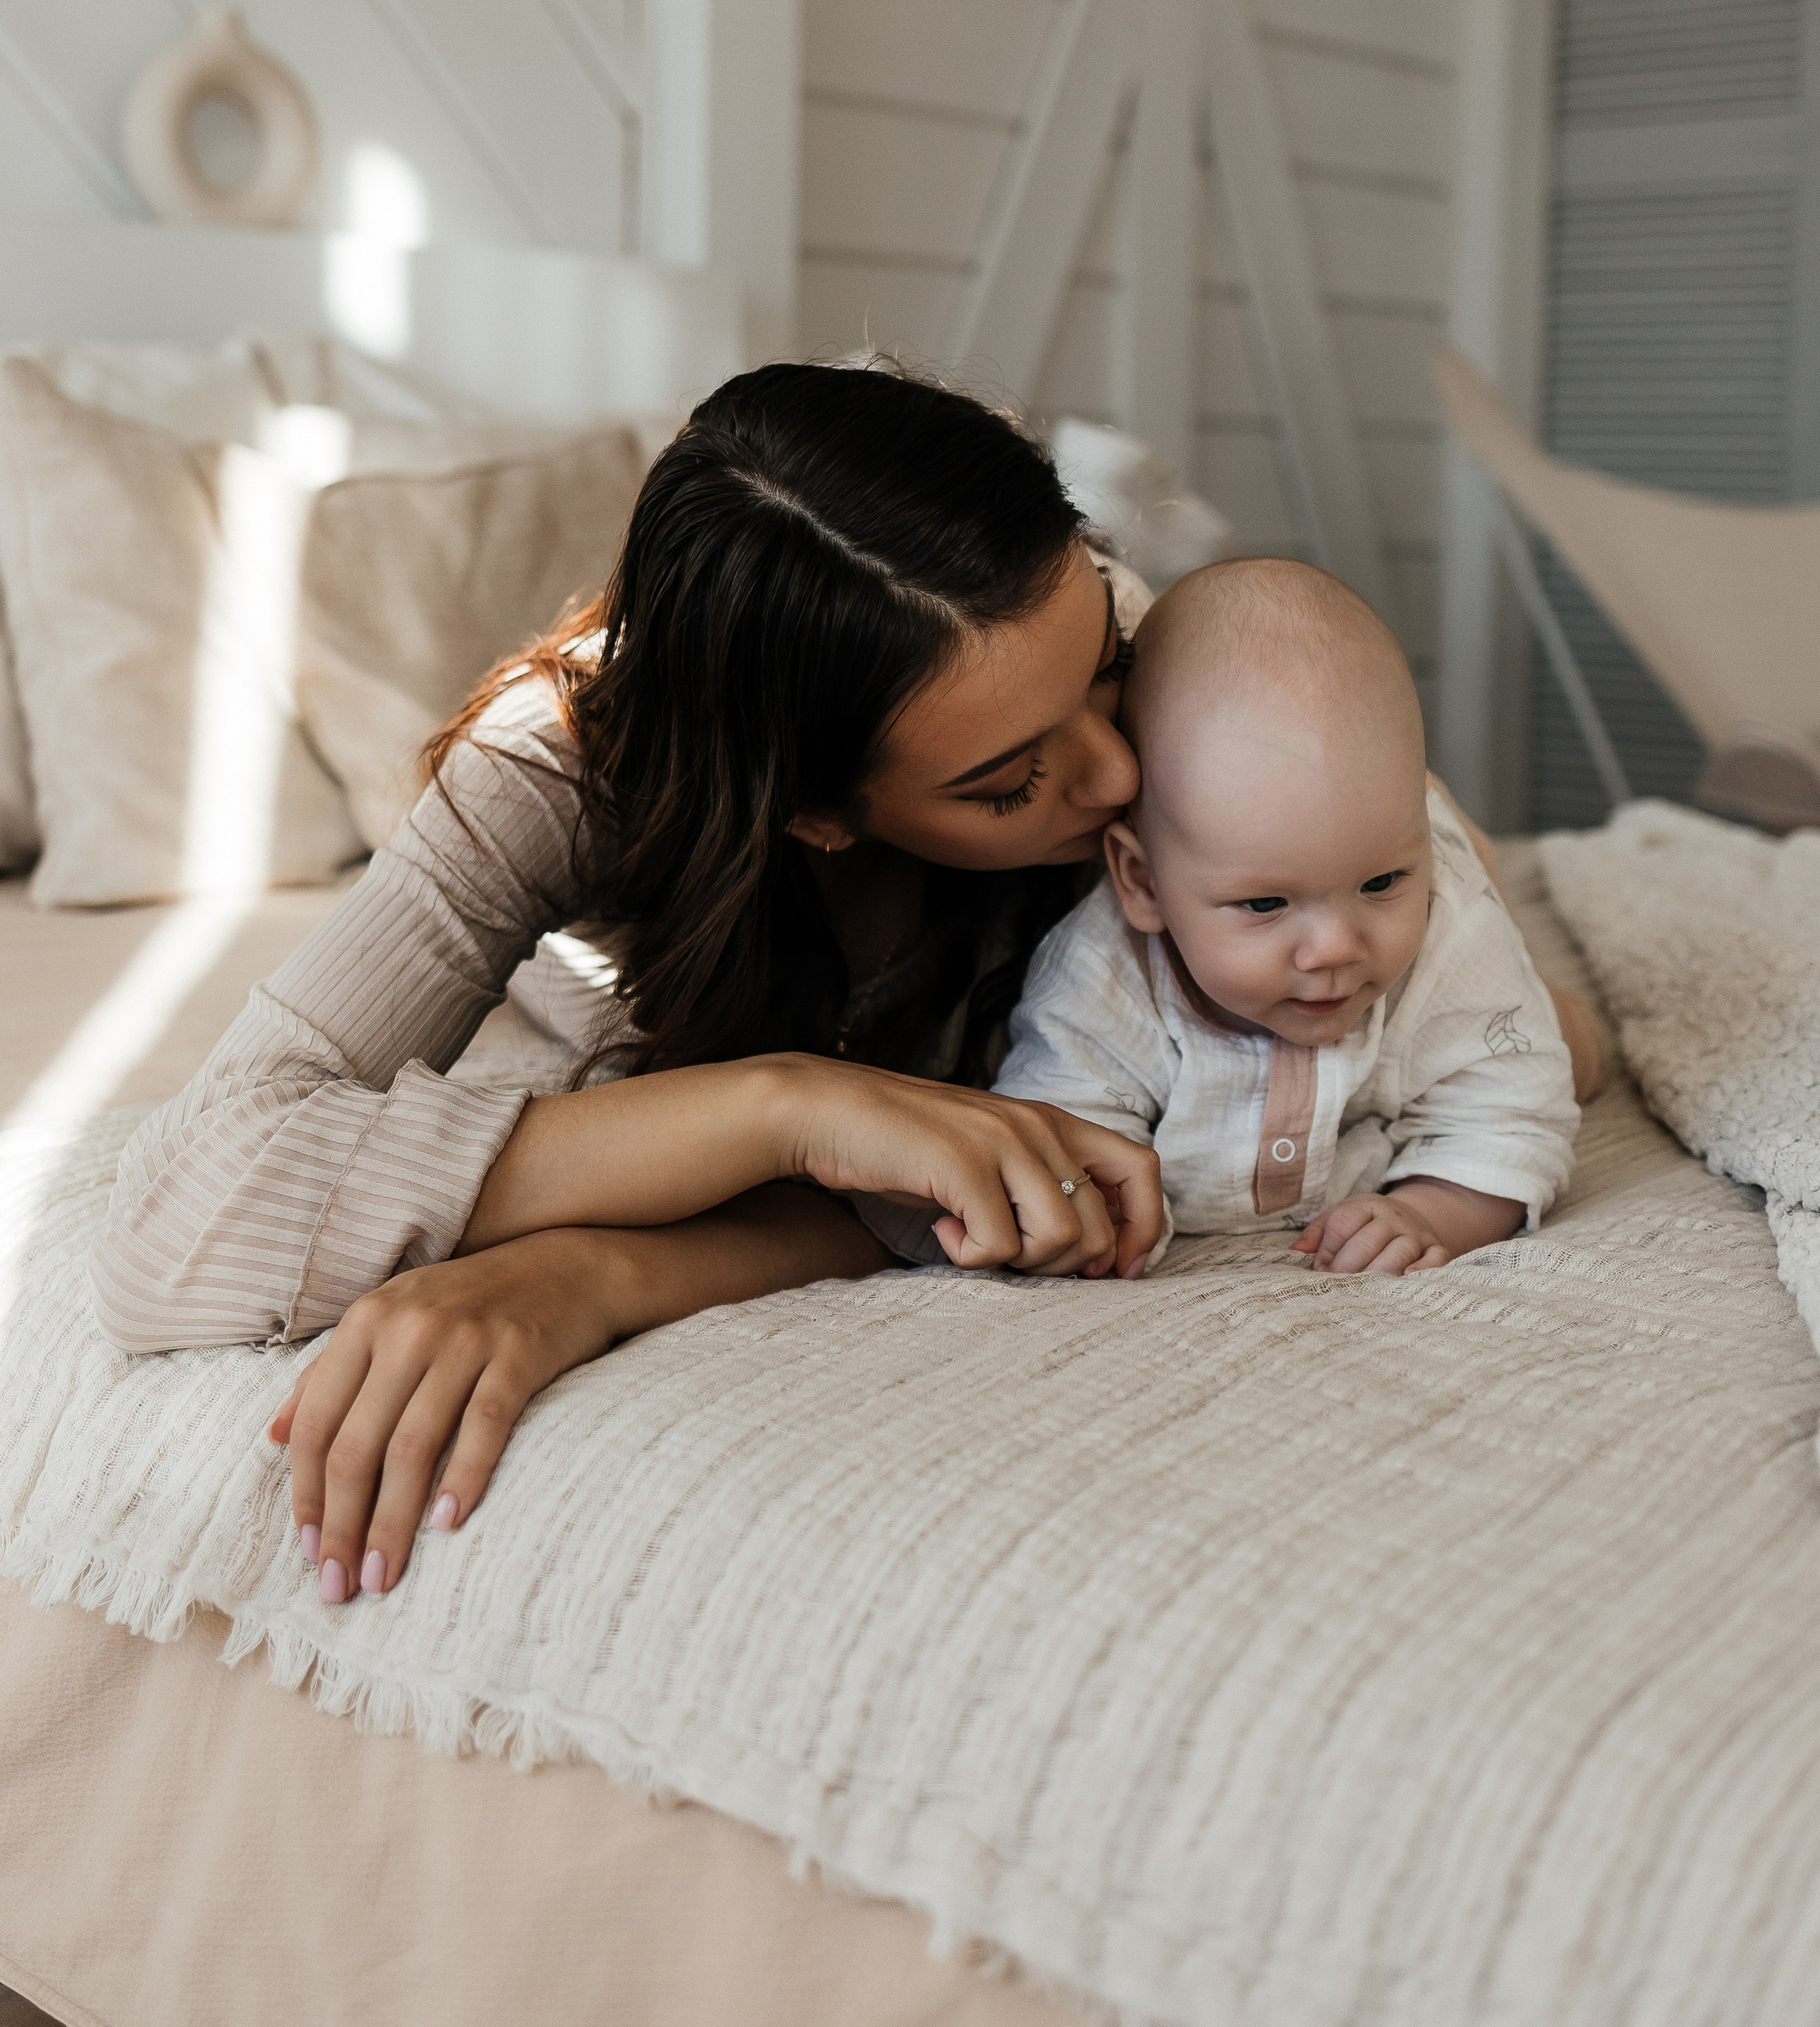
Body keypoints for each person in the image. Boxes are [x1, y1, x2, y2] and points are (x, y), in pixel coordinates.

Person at [92, 365, 1168, 1606]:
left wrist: (596, 1274)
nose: (1123, 770)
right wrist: (784, 1105)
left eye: (1106, 670)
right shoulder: (554, 772)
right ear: (815, 814)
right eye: (1007, 785)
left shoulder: (1070, 624)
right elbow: (180, 1223)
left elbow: (1432, 907)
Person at [994, 557, 1579, 1273]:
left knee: (1566, 1048)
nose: (1336, 948)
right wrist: (1087, 1208)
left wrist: (1434, 1209)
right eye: (1266, 903)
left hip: (1449, 891)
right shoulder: (1099, 977)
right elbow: (1055, 1136)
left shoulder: (1448, 928)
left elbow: (1517, 1113)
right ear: (1142, 883)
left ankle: (1456, 845)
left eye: (1381, 881)